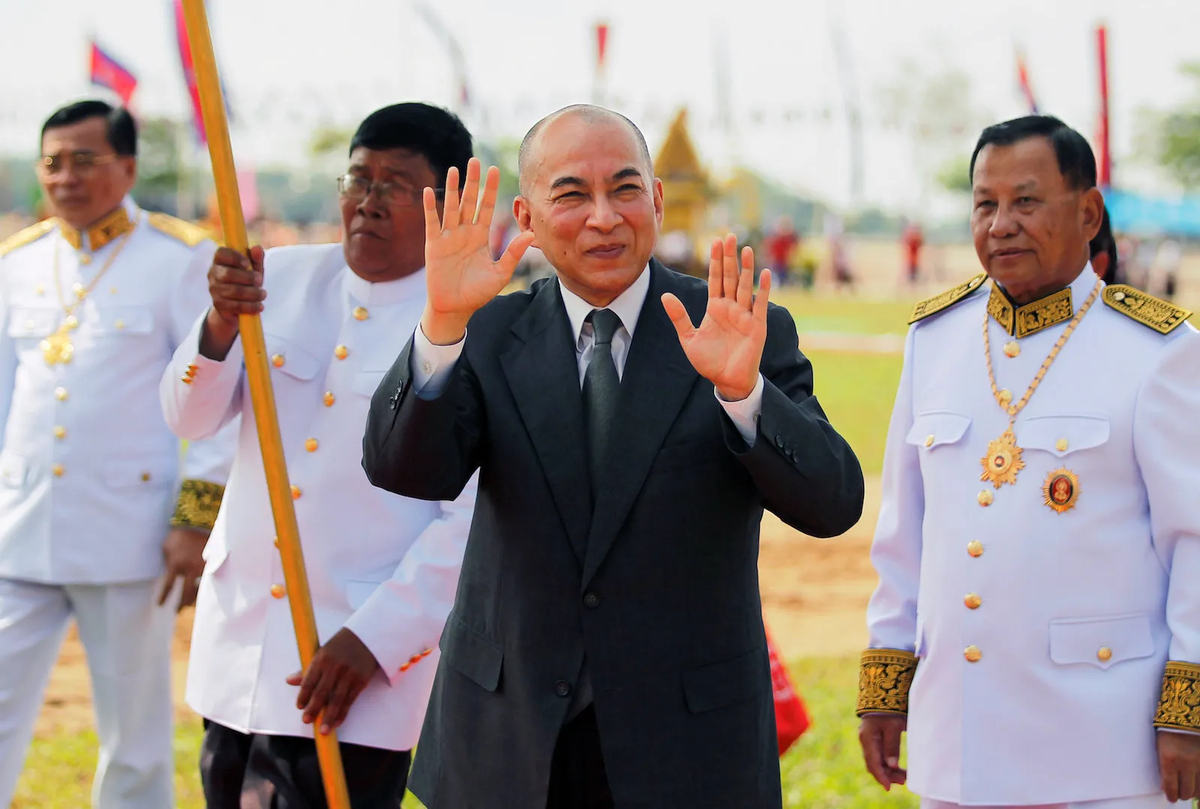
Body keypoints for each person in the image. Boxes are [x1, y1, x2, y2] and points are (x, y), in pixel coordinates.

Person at [362, 104, 865, 808]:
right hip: (508, 741)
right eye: (571, 194)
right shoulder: (488, 330)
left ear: (656, 200)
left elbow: (834, 501)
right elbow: (403, 469)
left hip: (685, 747)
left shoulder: (736, 327)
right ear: (528, 218)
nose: (604, 216)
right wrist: (442, 326)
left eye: (625, 189)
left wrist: (744, 392)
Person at [857, 114, 1200, 808]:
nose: (1001, 223)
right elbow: (904, 533)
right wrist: (887, 683)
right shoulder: (936, 339)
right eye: (985, 204)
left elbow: (1193, 542)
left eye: (1026, 201)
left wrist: (1187, 707)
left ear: (1088, 211)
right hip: (961, 741)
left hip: (1103, 744)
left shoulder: (1158, 351)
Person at [159, 103, 478, 808]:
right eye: (357, 177)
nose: (368, 200)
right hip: (240, 642)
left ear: (447, 201)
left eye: (396, 184)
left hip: (354, 663)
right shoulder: (272, 281)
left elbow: (472, 522)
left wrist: (373, 638)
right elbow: (191, 415)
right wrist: (217, 325)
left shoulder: (469, 328)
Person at [0, 99, 233, 809]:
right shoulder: (19, 262)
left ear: (127, 167)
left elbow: (218, 400)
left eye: (85, 159)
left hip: (130, 534)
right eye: (52, 162)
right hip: (20, 527)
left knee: (132, 735)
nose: (65, 176)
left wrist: (196, 517)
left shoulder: (176, 259)